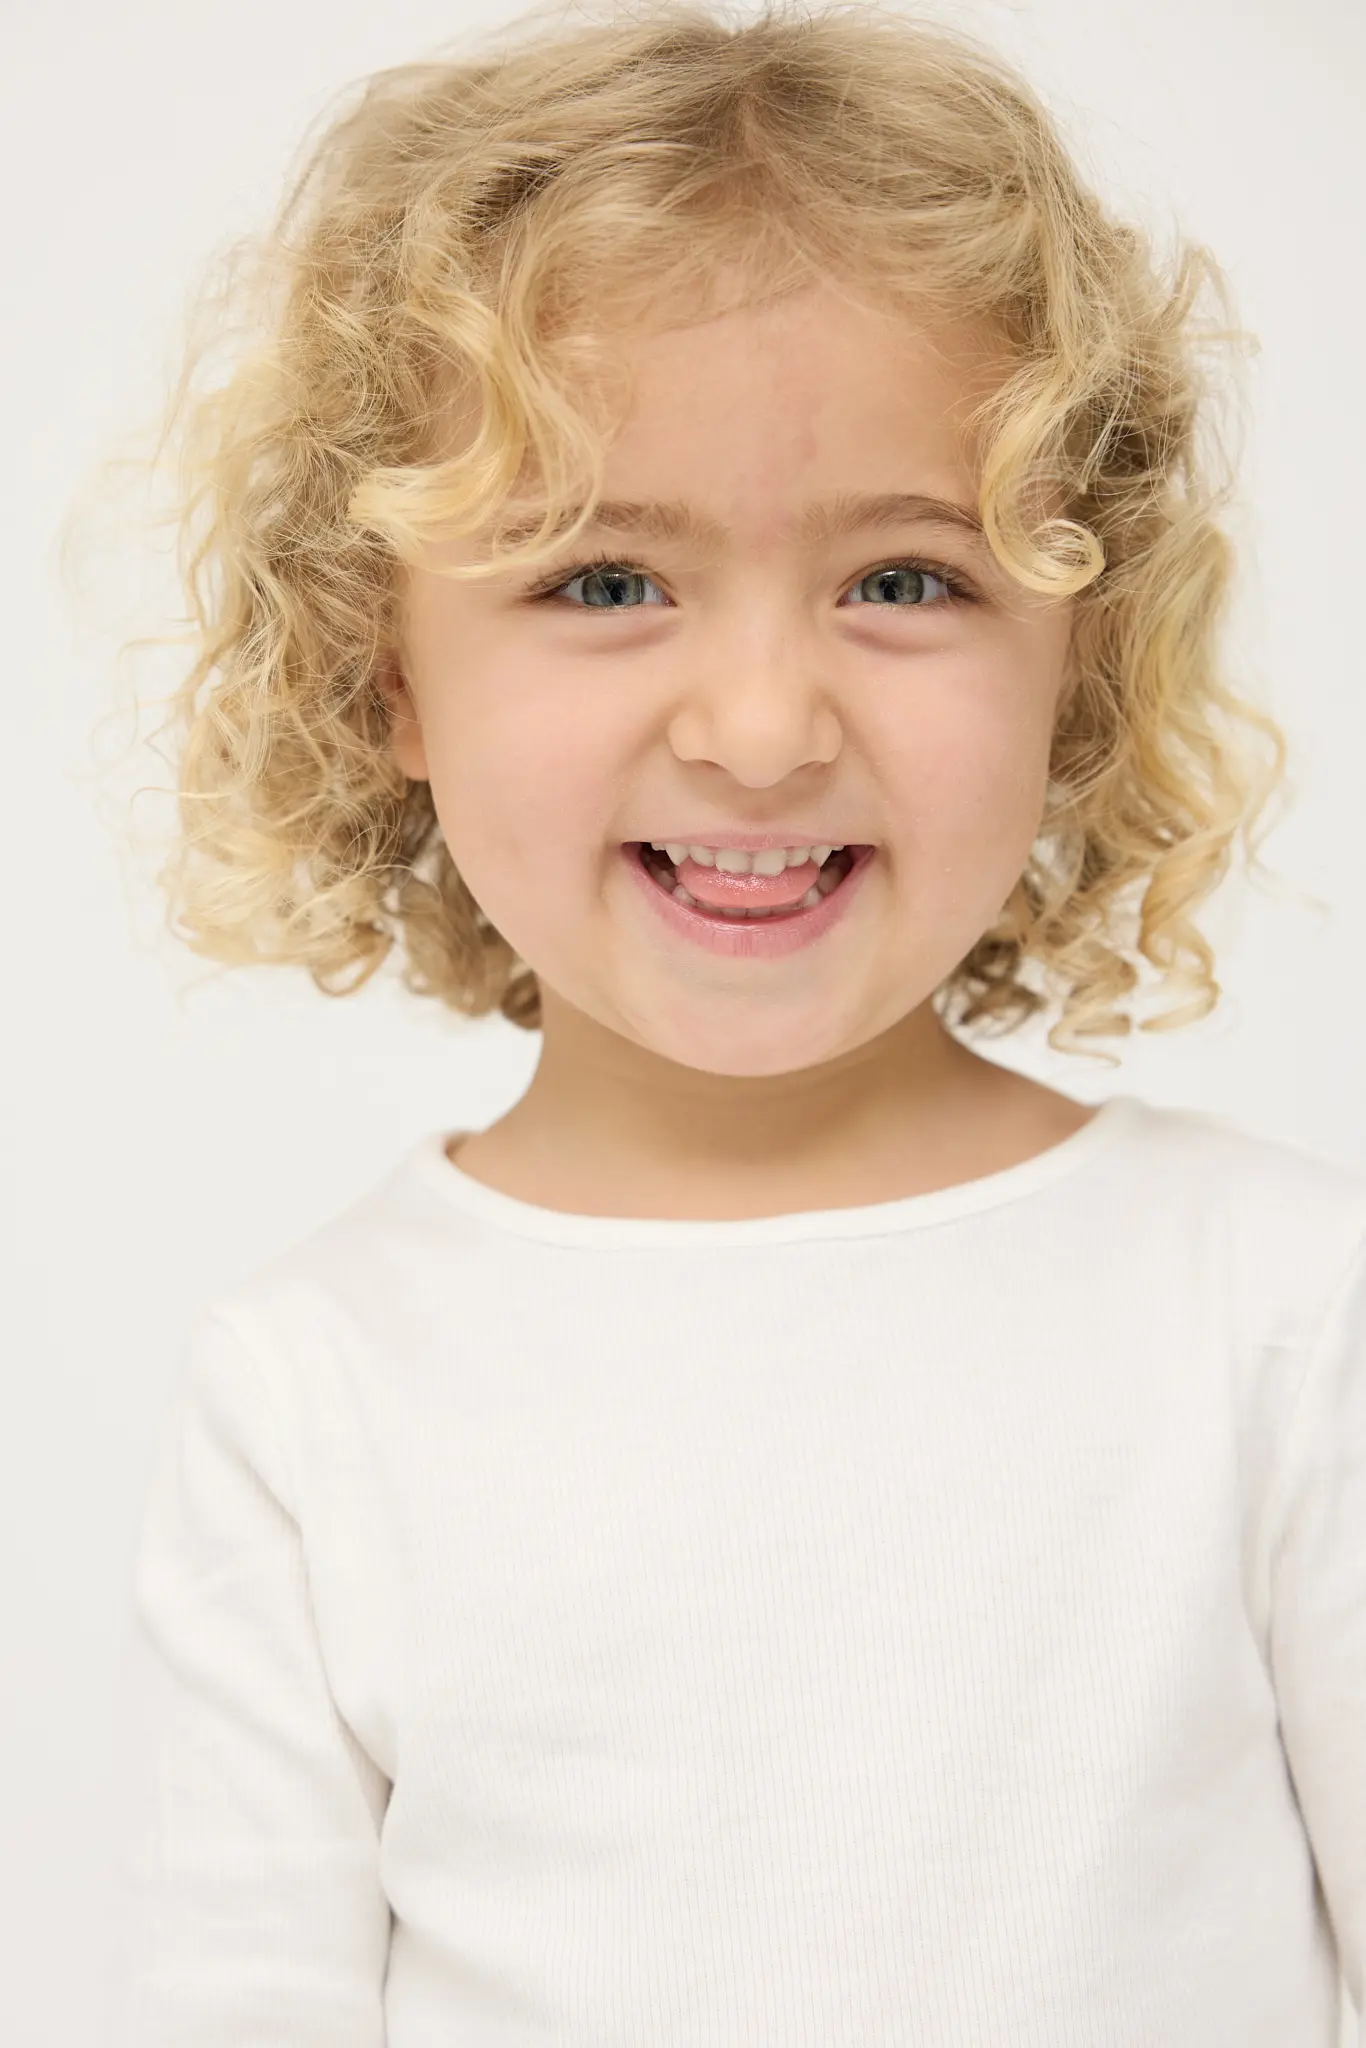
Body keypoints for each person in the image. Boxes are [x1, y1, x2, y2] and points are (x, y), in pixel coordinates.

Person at [102, 2, 1366, 2043]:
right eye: (604, 582)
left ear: (1076, 652)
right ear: (382, 677)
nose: (763, 728)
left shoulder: (1283, 1315)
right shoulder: (312, 1390)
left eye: (905, 581)